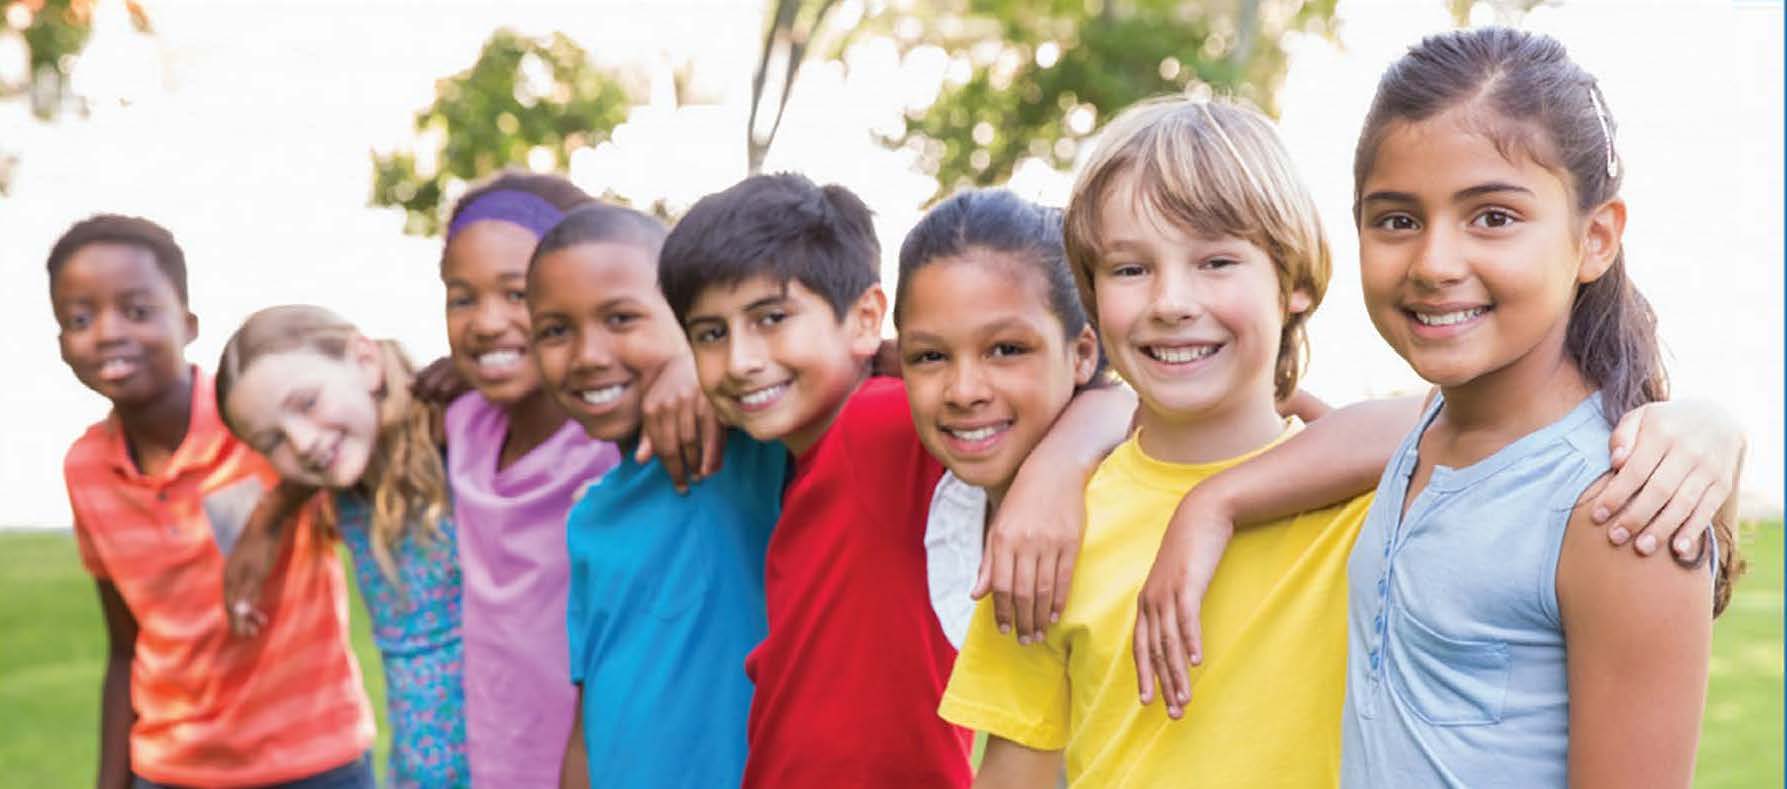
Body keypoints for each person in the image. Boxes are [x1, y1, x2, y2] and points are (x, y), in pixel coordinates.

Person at [1333, 28, 1735, 786]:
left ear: (1593, 238)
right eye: (1396, 219)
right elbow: (1331, 438)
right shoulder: (1424, 433)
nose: (1433, 263)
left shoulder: (1620, 513)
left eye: (1492, 217)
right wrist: (1210, 506)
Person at [939, 98, 1375, 787]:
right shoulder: (1048, 534)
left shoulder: (1372, 501)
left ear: (1292, 282)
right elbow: (1012, 775)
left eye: (1215, 262)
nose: (1170, 301)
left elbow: (1476, 417)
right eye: (1130, 268)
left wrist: (1218, 501)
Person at [657, 173, 1129, 787]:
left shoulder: (883, 425)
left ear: (866, 319)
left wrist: (1061, 463)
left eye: (770, 318)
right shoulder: (790, 453)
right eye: (709, 334)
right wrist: (676, 375)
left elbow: (1116, 403)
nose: (741, 360)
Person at [50, 215, 375, 789]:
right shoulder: (86, 471)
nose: (106, 332)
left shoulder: (263, 426)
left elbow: (376, 417)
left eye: (137, 310)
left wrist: (270, 515)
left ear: (189, 321)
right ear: (61, 343)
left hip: (317, 760)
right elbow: (127, 647)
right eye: (80, 317)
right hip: (172, 769)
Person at [432, 173, 715, 787]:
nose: (486, 322)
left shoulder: (679, 436)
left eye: (514, 295)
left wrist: (697, 361)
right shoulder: (463, 426)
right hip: (505, 757)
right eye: (463, 297)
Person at [527, 203, 786, 787]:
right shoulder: (590, 515)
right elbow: (590, 714)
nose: (588, 355)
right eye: (555, 331)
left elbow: (890, 360)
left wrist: (702, 367)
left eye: (620, 318)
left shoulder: (753, 448)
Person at [215, 305, 469, 788]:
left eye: (307, 402)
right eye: (272, 441)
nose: (304, 442)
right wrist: (266, 520)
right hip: (423, 771)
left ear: (364, 360)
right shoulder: (348, 486)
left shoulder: (461, 434)